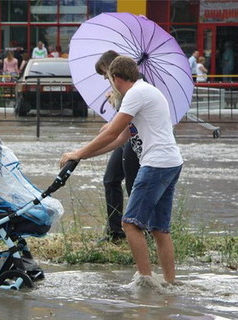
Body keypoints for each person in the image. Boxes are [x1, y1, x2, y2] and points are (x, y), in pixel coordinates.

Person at [59, 56, 183, 284]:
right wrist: (82, 156)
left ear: (115, 78)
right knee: (159, 229)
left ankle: (145, 281)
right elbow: (119, 139)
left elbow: (112, 132)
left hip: (156, 164)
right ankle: (170, 283)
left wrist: (77, 152)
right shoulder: (145, 90)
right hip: (171, 162)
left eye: (108, 79)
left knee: (130, 224)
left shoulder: (135, 94)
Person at [94, 50, 141, 243]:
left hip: (134, 139)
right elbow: (122, 117)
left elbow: (127, 121)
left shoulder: (137, 86)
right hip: (124, 136)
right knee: (110, 179)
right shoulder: (119, 89)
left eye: (105, 73)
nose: (105, 78)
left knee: (132, 185)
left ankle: (139, 230)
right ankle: (115, 232)